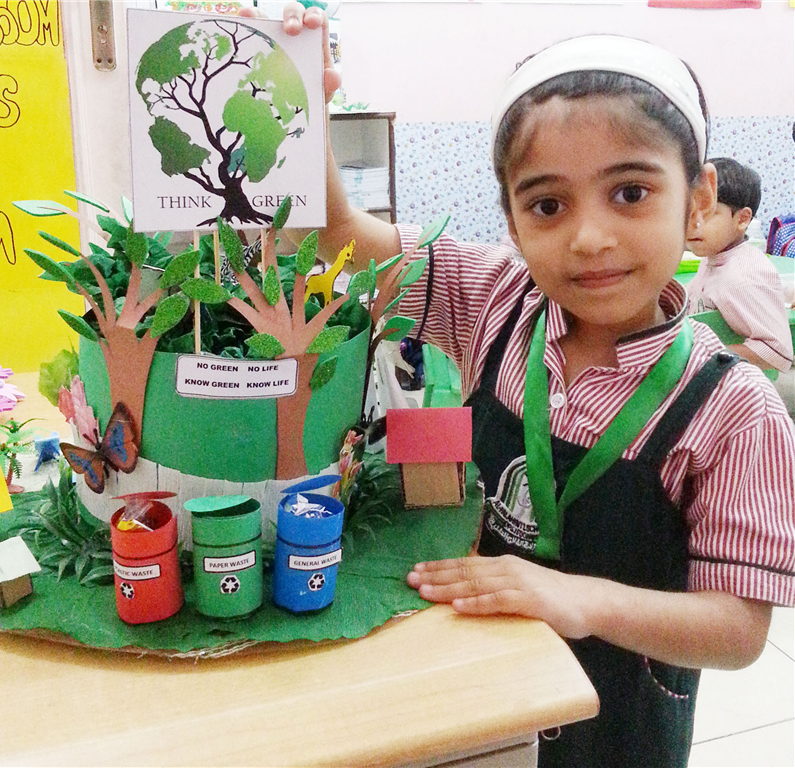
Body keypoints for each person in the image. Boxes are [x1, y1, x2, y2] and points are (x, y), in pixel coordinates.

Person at [277, 8, 795, 767]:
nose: (589, 238)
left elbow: (738, 630)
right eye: (548, 205)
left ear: (698, 199)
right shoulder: (497, 299)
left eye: (630, 192)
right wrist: (298, 110)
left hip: (617, 729)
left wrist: (579, 598)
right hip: (482, 697)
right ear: (514, 225)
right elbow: (342, 240)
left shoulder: (735, 408)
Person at [685, 157, 793, 372]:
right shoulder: (715, 255)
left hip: (733, 382)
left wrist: (703, 356)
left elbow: (778, 352)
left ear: (742, 219)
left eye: (708, 213)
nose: (693, 224)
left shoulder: (739, 279)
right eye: (688, 212)